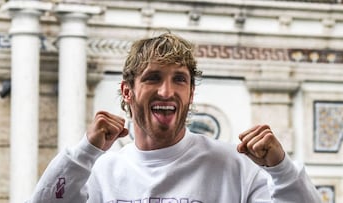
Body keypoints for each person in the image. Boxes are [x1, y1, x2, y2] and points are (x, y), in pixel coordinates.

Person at [27, 32, 321, 203]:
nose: (167, 91)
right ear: (127, 92)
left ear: (191, 93)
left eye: (179, 80)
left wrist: (281, 170)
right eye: (153, 78)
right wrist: (83, 153)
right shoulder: (102, 172)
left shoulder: (235, 165)